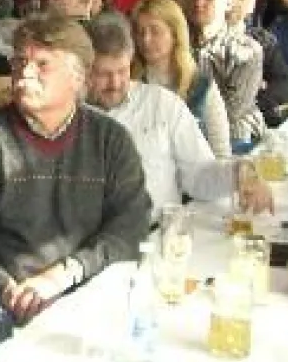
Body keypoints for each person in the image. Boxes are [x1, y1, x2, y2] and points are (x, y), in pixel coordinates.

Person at [0, 14, 151, 325]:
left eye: (42, 64)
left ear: (78, 78)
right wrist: (5, 287)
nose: (25, 73)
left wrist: (67, 273)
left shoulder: (109, 140)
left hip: (87, 291)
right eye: (20, 61)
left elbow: (131, 224)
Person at [86, 13, 272, 220]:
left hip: (160, 236)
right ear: (83, 70)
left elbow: (200, 175)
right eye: (103, 74)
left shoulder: (162, 105)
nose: (115, 83)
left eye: (122, 71)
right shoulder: (68, 116)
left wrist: (239, 173)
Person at [131, 0, 231, 158]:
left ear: (175, 34)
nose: (145, 39)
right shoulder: (129, 84)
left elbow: (220, 152)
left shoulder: (201, 86)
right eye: (140, 32)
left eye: (155, 31)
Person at [182, 0, 266, 150]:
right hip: (184, 135)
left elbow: (232, 111)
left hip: (235, 139)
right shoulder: (177, 44)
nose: (198, 2)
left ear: (228, 1)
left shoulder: (246, 51)